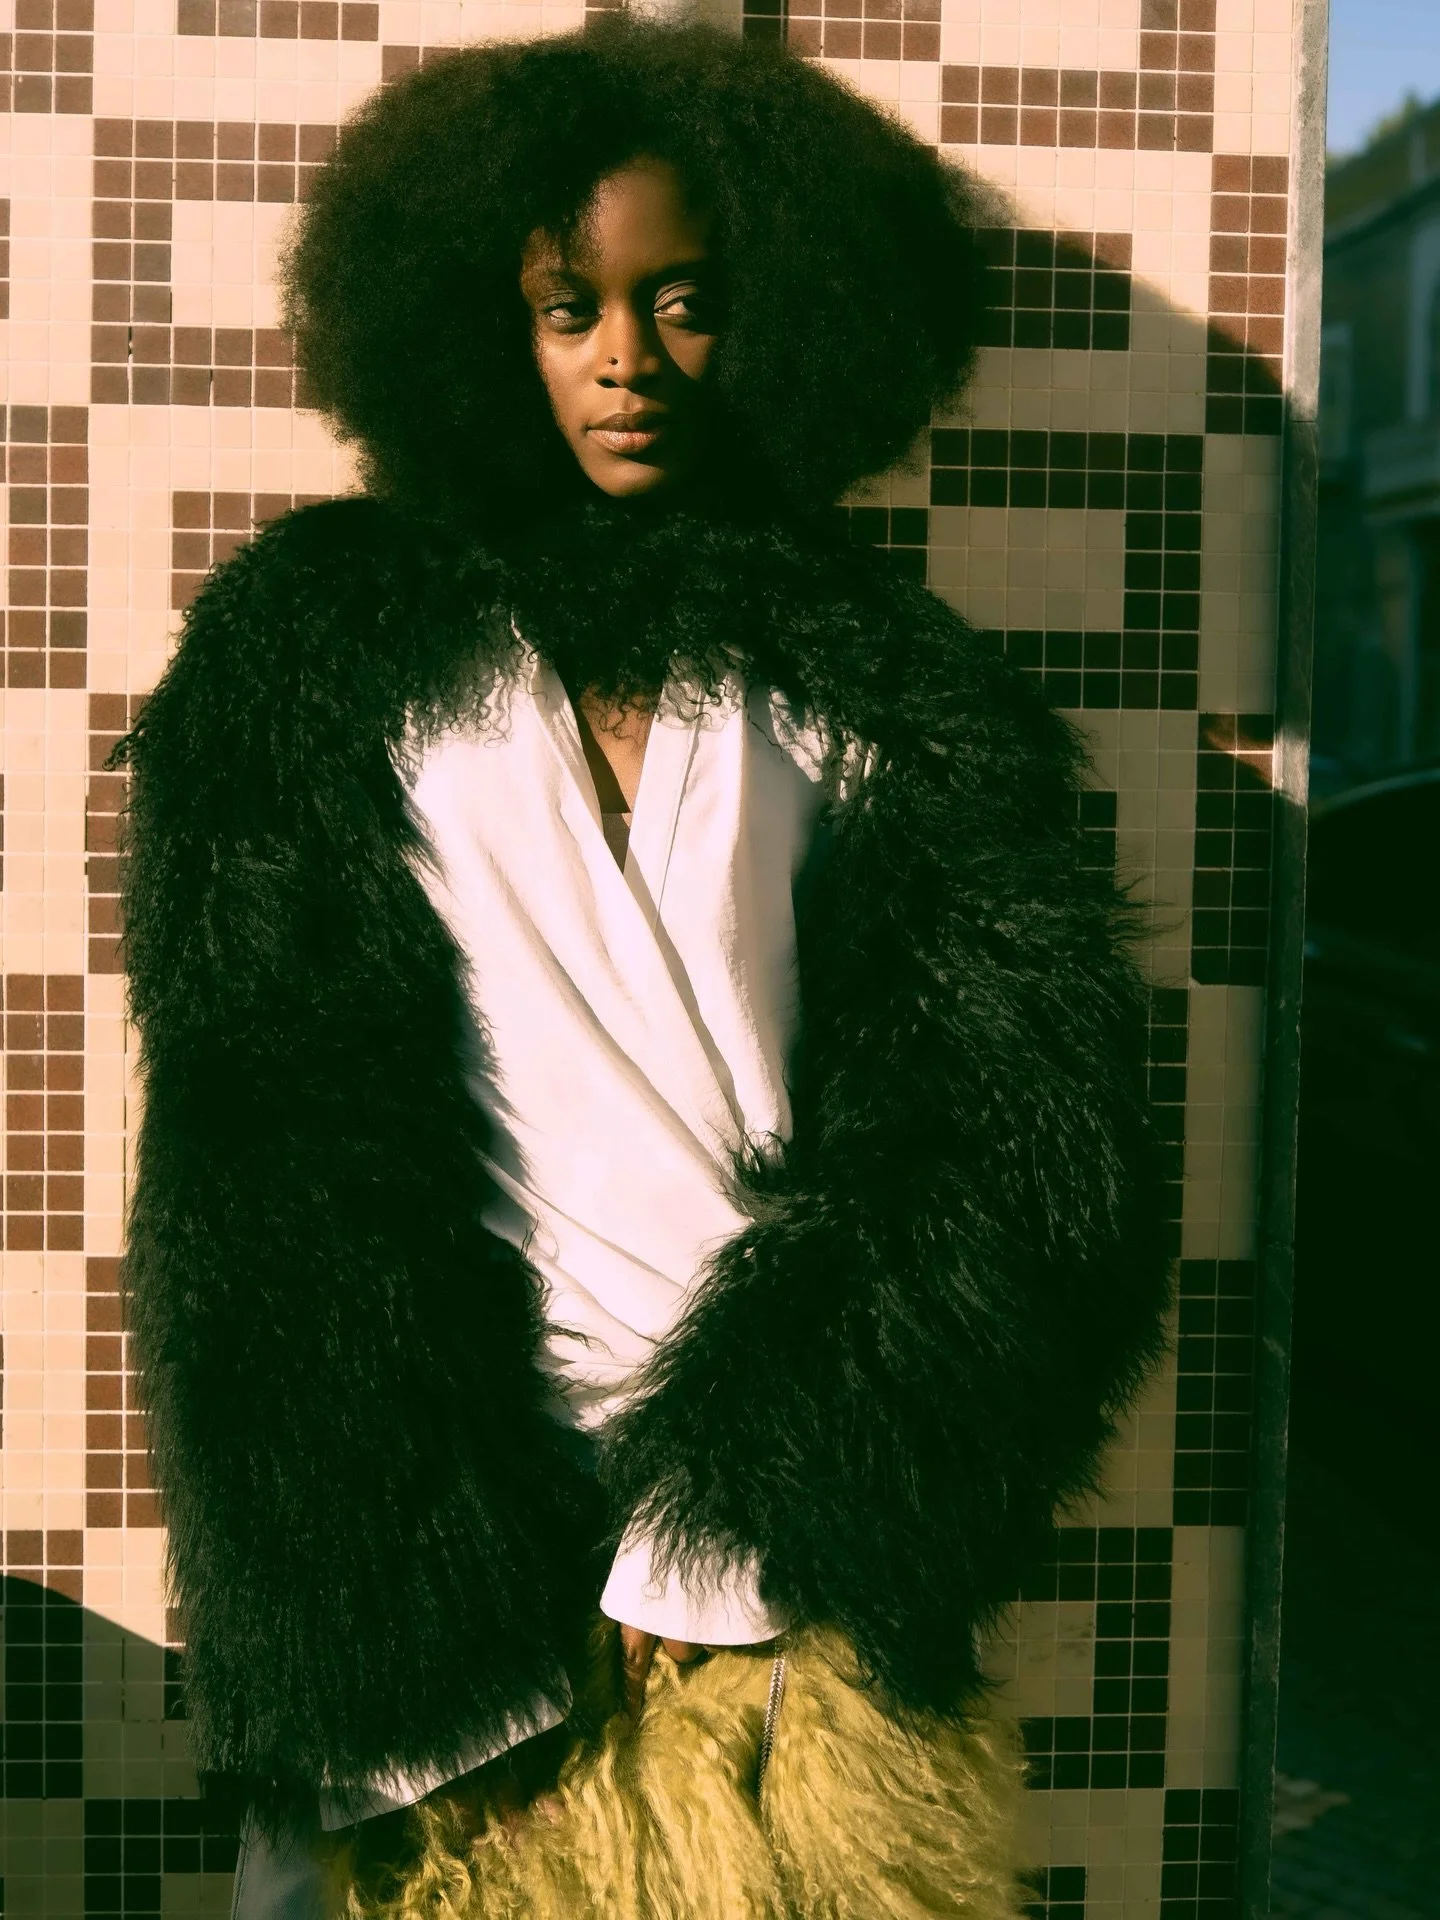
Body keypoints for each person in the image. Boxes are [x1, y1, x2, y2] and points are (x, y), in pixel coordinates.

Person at [112, 18, 1172, 1919]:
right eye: (564, 306)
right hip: (443, 1551)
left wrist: (755, 1520)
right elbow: (257, 1168)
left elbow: (1019, 1138)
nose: (625, 359)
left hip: (779, 1547)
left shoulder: (866, 676)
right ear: (473, 324)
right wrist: (397, 1635)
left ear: (772, 312)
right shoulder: (314, 654)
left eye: (681, 301)